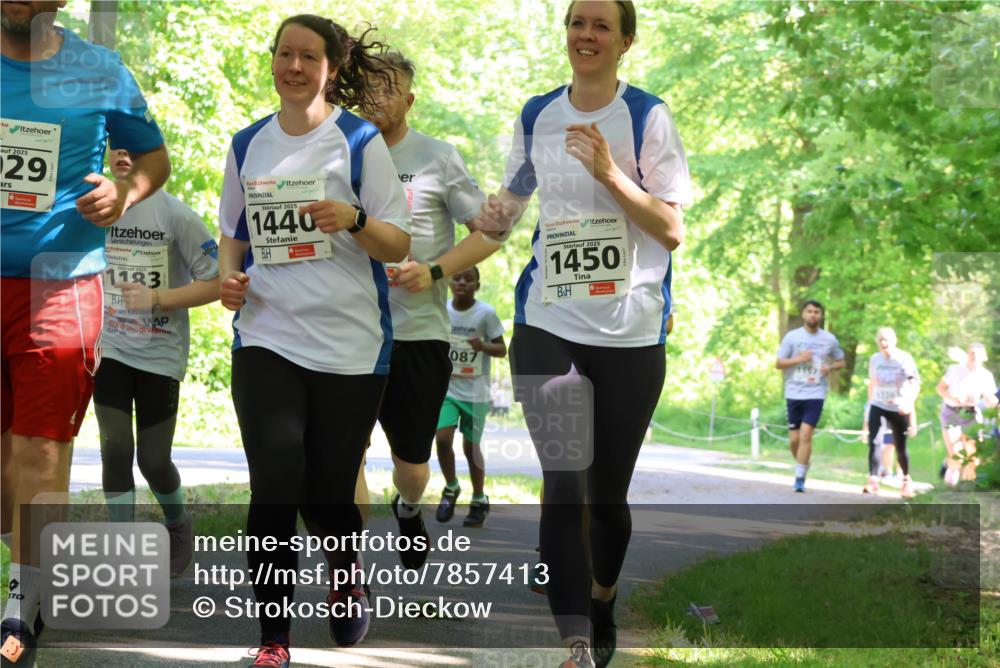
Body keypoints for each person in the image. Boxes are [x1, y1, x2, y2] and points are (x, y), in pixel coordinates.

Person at [474, 2, 692, 665]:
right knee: (563, 481)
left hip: (630, 331)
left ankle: (602, 595)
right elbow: (503, 214)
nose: (586, 35)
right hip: (549, 318)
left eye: (601, 25)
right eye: (577, 22)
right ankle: (573, 642)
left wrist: (609, 174)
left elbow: (672, 229)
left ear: (625, 41)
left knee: (606, 498)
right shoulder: (539, 114)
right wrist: (448, 248)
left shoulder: (647, 116)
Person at [217, 15, 409, 666]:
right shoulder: (247, 145)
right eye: (284, 55)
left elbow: (399, 241)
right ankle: (274, 639)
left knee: (328, 490)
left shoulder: (358, 141)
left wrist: (354, 218)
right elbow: (233, 235)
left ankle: (345, 561)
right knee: (275, 481)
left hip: (351, 345)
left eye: (308, 57)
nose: (293, 67)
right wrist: (227, 280)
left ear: (331, 68)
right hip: (267, 334)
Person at [1, 2, 169, 663]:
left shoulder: (99, 71)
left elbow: (153, 159)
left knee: (41, 449)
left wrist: (125, 192)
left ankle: (22, 610)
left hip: (62, 281)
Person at [355, 50, 500, 570]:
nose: (375, 97)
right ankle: (348, 575)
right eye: (367, 86)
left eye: (387, 88)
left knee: (412, 464)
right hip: (345, 334)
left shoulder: (437, 157)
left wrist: (434, 270)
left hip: (418, 334)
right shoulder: (336, 152)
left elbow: (489, 234)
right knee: (345, 457)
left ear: (409, 100)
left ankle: (409, 506)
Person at [93, 148, 219, 577]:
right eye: (116, 145)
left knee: (152, 460)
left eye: (136, 146)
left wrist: (159, 298)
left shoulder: (176, 216)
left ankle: (177, 523)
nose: (124, 154)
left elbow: (216, 281)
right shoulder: (94, 209)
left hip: (160, 353)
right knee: (114, 447)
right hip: (109, 347)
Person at [434, 267, 506, 527]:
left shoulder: (485, 313)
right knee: (442, 438)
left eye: (469, 279)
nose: (462, 282)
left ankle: (478, 499)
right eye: (457, 278)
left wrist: (483, 345)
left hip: (476, 392)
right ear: (450, 283)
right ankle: (451, 487)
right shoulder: (443, 309)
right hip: (449, 390)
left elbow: (502, 348)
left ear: (477, 284)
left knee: (470, 447)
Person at [775, 300, 846, 492]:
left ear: (821, 316)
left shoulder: (829, 339)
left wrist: (829, 367)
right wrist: (799, 359)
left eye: (817, 312)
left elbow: (841, 362)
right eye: (810, 311)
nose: (813, 315)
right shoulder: (792, 337)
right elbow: (778, 363)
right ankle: (803, 463)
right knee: (794, 440)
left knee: (806, 434)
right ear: (803, 314)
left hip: (816, 392)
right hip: (794, 392)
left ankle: (799, 478)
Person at [864, 327, 920, 498]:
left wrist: (908, 403)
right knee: (874, 441)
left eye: (887, 339)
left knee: (900, 447)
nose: (884, 343)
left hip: (898, 407)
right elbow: (872, 383)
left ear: (895, 340)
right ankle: (873, 480)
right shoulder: (874, 359)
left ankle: (906, 480)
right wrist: (869, 405)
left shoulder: (904, 359)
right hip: (878, 405)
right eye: (881, 339)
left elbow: (915, 384)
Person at [936, 343, 998, 486]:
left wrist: (994, 402)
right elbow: (940, 388)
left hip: (971, 414)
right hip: (951, 413)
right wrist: (953, 398)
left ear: (984, 356)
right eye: (971, 353)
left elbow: (990, 399)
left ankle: (967, 489)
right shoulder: (955, 370)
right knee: (956, 454)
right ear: (967, 355)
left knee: (972, 455)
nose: (974, 356)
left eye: (977, 353)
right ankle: (950, 487)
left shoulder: (986, 376)